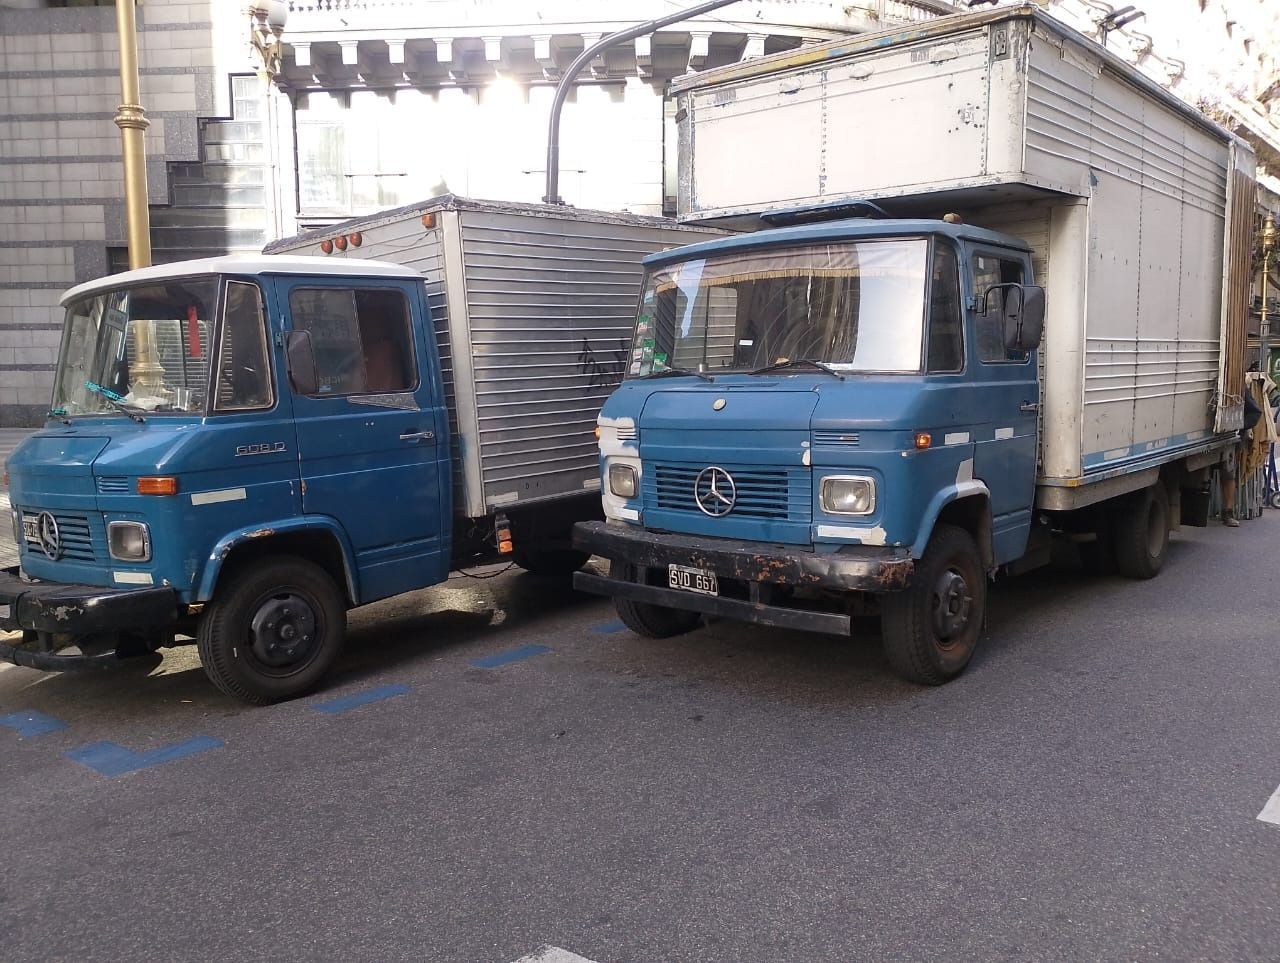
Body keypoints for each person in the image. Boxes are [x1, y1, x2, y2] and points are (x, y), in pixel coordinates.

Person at [1220, 384, 1263, 527]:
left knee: (1228, 473)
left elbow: (1256, 412)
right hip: (1216, 435)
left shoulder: (1238, 386)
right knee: (1226, 474)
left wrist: (1239, 425)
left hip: (1233, 436)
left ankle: (1228, 513)